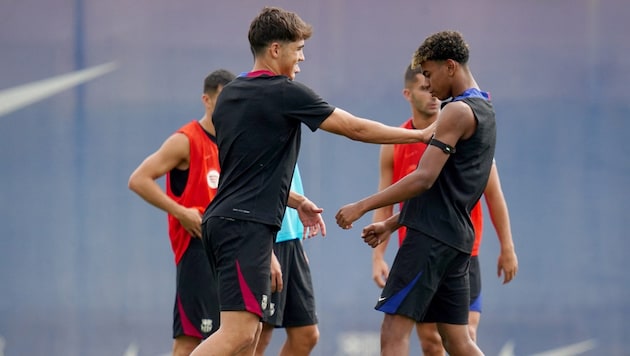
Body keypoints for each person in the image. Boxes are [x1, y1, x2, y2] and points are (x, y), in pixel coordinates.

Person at [190, 6, 434, 356]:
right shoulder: (286, 92)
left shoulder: (230, 95)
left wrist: (296, 200)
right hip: (245, 226)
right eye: (298, 48)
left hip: (225, 222)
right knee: (240, 334)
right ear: (276, 49)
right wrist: (421, 136)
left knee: (249, 336)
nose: (302, 57)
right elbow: (354, 127)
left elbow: (244, 172)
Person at [335, 30, 496, 356]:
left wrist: (362, 206)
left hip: (429, 239)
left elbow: (424, 178)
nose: (430, 86)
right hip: (456, 240)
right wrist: (391, 224)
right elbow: (441, 191)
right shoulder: (485, 110)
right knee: (458, 340)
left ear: (450, 66)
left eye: (429, 73)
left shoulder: (456, 112)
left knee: (393, 331)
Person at [371, 65, 518, 355]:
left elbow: (493, 194)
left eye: (432, 84)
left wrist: (507, 246)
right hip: (420, 241)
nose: (432, 95)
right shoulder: (397, 141)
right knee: (435, 341)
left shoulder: (462, 125)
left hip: (459, 248)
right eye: (424, 88)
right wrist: (379, 255)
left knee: (460, 334)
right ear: (408, 93)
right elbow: (391, 199)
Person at [128, 69, 236, 356]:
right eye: (223, 100)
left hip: (228, 250)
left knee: (234, 337)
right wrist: (181, 212)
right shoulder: (186, 140)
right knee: (190, 341)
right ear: (207, 100)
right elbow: (138, 179)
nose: (229, 108)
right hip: (196, 251)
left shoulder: (233, 143)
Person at [255, 165, 320, 356]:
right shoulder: (259, 135)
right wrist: (265, 250)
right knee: (258, 335)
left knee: (306, 334)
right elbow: (253, 184)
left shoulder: (286, 134)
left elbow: (284, 179)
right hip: (267, 238)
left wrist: (296, 239)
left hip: (291, 239)